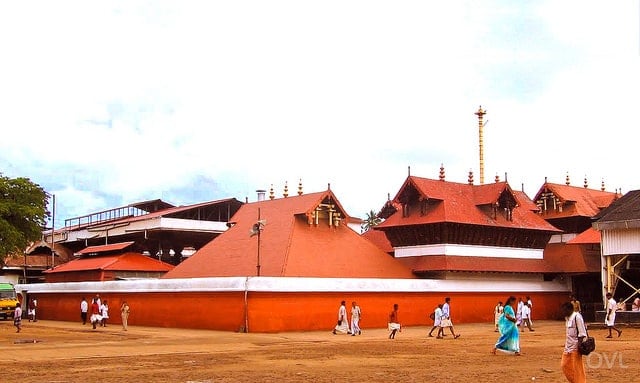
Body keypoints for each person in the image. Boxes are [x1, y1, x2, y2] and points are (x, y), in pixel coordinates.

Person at [560, 301, 587, 382]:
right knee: (564, 365)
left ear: (569, 309)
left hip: (575, 347)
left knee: (577, 369)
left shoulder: (577, 317)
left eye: (564, 310)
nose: (563, 312)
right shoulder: (567, 318)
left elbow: (582, 333)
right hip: (568, 347)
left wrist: (579, 347)